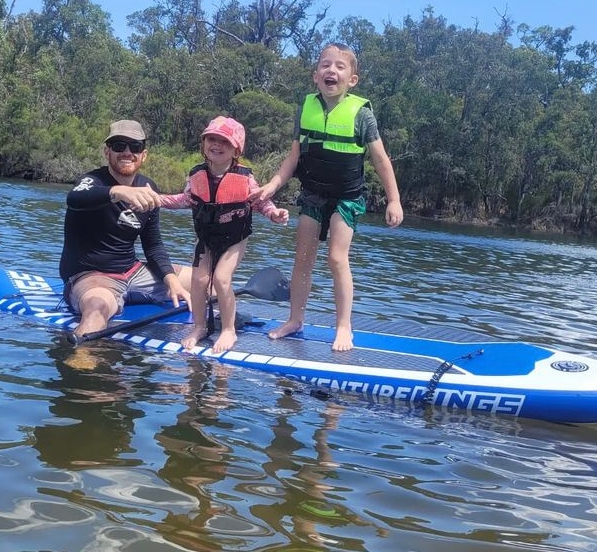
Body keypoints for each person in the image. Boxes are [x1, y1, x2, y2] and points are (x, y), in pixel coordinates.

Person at [249, 42, 404, 352]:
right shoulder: (305, 108)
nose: (331, 70)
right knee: (303, 258)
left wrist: (394, 199)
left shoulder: (361, 116)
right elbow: (293, 158)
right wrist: (272, 186)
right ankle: (295, 320)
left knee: (336, 258)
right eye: (325, 65)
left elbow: (381, 160)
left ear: (352, 80)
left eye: (340, 66)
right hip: (313, 194)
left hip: (346, 197)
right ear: (315, 75)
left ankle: (344, 327)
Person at [160, 116, 289, 353]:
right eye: (212, 139)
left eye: (224, 142)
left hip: (235, 239)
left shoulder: (245, 178)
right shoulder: (196, 175)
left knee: (220, 279)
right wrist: (157, 200)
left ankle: (229, 330)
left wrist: (274, 214)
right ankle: (200, 326)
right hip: (207, 238)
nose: (216, 145)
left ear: (236, 149)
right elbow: (185, 200)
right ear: (203, 143)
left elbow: (261, 202)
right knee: (199, 281)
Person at [59, 119, 192, 341]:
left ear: (144, 154)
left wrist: (171, 281)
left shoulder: (148, 187)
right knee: (97, 310)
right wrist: (118, 192)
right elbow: (75, 198)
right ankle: (80, 368)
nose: (127, 152)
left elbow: (153, 244)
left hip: (133, 272)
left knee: (207, 281)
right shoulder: (91, 181)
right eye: (119, 146)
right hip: (93, 276)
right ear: (107, 152)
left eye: (135, 147)